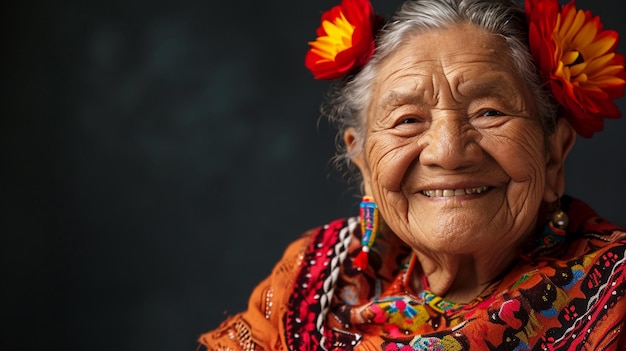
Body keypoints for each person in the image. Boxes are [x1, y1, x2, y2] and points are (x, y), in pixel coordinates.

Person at [198, 0, 626, 349]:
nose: (448, 152)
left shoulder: (615, 296)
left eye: (489, 112)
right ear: (363, 161)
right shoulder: (312, 278)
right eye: (407, 120)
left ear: (554, 153)